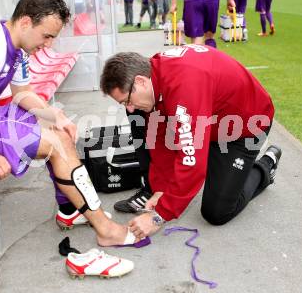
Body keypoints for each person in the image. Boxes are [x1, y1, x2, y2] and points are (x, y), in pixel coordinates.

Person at [0, 0, 139, 247]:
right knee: (55, 144)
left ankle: (69, 210)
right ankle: (105, 230)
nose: (48, 44)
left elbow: (22, 94)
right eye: (46, 36)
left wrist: (54, 115)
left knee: (59, 132)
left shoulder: (17, 46)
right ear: (26, 22)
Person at [100, 46, 282, 239]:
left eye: (127, 100)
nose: (128, 109)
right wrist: (161, 189)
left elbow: (192, 160)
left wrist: (159, 215)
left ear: (140, 81)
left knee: (217, 212)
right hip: (210, 121)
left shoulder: (184, 86)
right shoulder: (154, 77)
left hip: (244, 127)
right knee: (142, 119)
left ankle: (265, 166)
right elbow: (161, 141)